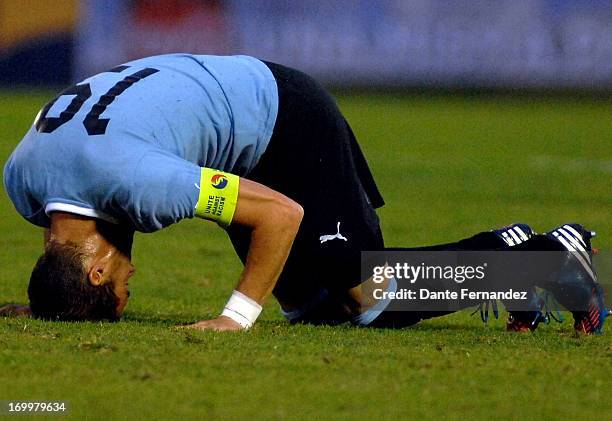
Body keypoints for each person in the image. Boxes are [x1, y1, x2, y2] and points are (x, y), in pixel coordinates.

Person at [1, 54, 608, 333]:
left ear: (99, 272)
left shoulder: (145, 185)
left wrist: (235, 317)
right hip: (223, 123)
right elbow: (99, 200)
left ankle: (548, 260)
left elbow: (281, 213)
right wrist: (54, 303)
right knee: (318, 311)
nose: (132, 280)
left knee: (366, 293)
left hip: (284, 117)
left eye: (121, 289)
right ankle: (516, 258)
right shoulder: (24, 182)